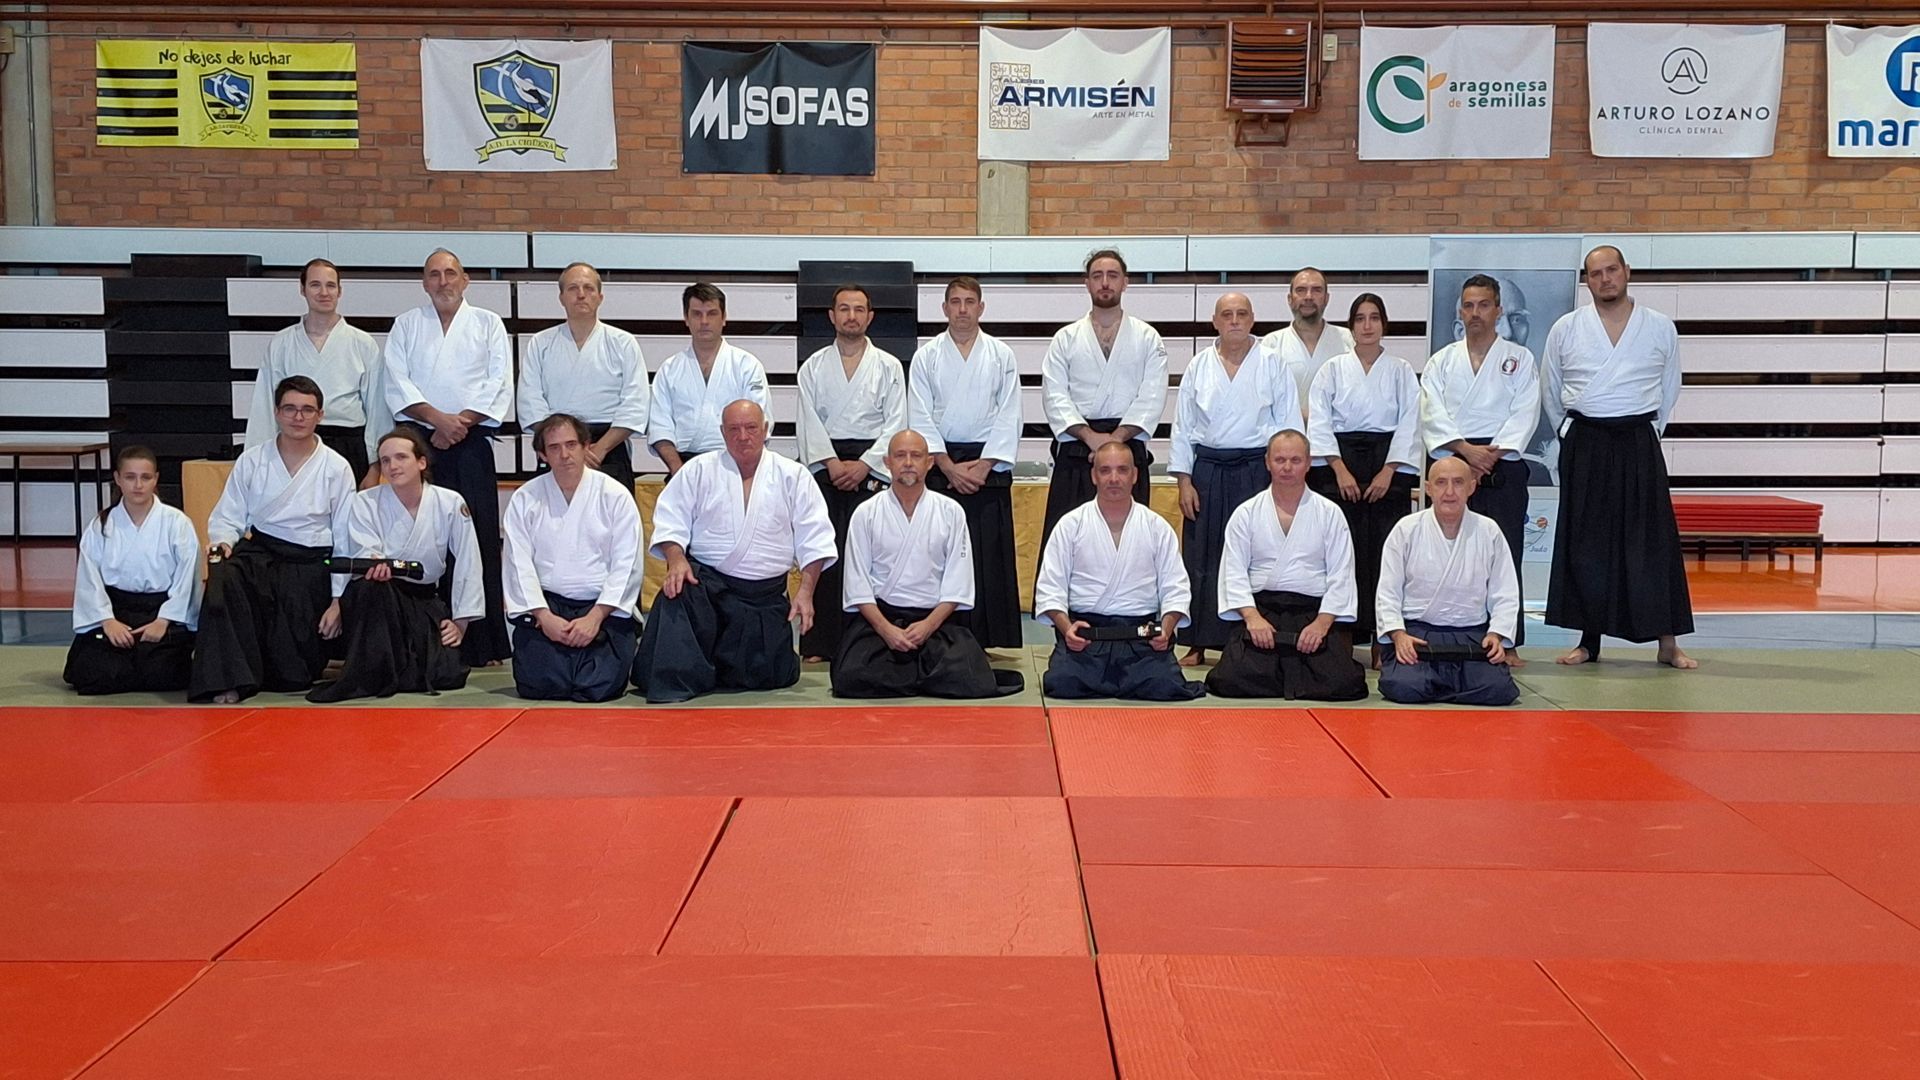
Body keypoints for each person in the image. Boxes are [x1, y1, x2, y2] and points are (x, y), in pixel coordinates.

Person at [1542, 245, 1696, 669]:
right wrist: (1569, 432)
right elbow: (1550, 388)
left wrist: (1649, 430)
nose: (1605, 278)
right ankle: (1588, 641)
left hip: (1637, 438)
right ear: (1586, 280)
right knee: (1585, 542)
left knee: (1652, 539)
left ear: (1627, 271)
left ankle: (1668, 641)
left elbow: (1670, 385)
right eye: (1596, 273)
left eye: (1612, 270)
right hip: (1586, 438)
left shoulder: (1659, 327)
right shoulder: (1567, 328)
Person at [633, 400, 836, 703]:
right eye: (734, 429)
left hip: (763, 598)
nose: (743, 436)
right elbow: (671, 519)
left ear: (765, 430)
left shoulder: (793, 475)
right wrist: (676, 559)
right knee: (680, 589)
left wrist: (805, 592)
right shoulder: (699, 469)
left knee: (771, 676)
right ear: (722, 432)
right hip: (707, 590)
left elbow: (815, 538)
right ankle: (680, 680)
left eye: (751, 428)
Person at [382, 247, 513, 666]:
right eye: (435, 274)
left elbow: (498, 381)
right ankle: (421, 637)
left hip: (470, 441)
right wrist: (437, 420)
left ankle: (483, 641)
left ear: (465, 279)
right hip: (420, 439)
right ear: (424, 282)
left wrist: (460, 424)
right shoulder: (406, 324)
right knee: (421, 534)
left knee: (477, 536)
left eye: (451, 273)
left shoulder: (488, 323)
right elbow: (397, 381)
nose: (443, 282)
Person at [190, 375, 356, 703]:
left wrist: (338, 600)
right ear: (277, 412)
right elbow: (228, 515)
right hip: (261, 552)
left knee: (291, 676)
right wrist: (223, 541)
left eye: (307, 410)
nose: (298, 417)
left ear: (320, 415)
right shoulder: (253, 460)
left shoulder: (336, 467)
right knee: (226, 577)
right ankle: (229, 679)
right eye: (290, 408)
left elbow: (345, 536)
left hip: (310, 563)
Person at [831, 430, 1025, 699]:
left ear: (929, 462)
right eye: (900, 456)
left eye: (916, 456)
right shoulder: (866, 513)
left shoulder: (950, 511)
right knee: (849, 677)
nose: (908, 463)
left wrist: (927, 626)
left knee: (971, 678)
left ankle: (906, 677)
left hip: (935, 622)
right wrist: (888, 631)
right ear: (887, 462)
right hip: (883, 622)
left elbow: (958, 583)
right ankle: (924, 677)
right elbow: (857, 584)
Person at [1169, 291, 1302, 668]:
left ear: (1252, 319)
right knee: (1202, 555)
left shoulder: (1272, 363)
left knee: (1252, 555)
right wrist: (1184, 480)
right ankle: (1197, 641)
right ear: (1215, 321)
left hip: (1255, 469)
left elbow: (1288, 424)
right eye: (1226, 314)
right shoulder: (1199, 365)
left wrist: (1284, 476)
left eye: (1241, 314)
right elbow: (1183, 427)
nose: (1234, 321)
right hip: (1208, 469)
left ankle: (1248, 639)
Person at [306, 427, 482, 703]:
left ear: (421, 462)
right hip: (380, 598)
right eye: (385, 460)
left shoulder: (449, 502)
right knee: (373, 590)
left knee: (447, 674)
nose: (392, 466)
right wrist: (374, 566)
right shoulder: (365, 502)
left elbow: (468, 561)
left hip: (424, 598)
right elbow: (366, 550)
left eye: (401, 457)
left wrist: (460, 622)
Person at [1420, 274, 1540, 653]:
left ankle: (1507, 639)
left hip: (1501, 464)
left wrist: (1487, 456)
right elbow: (1431, 412)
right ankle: (1447, 633)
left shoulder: (1519, 359)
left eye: (1484, 305)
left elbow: (1525, 412)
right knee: (1447, 551)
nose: (1476, 313)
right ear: (1460, 312)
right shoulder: (1442, 361)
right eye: (1469, 306)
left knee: (1505, 552)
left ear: (1498, 310)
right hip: (1453, 461)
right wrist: (1466, 452)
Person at [1034, 442, 1204, 701]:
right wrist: (1067, 628)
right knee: (1062, 683)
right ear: (1094, 476)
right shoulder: (1070, 525)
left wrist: (1166, 629)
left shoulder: (1156, 527)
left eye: (1122, 470)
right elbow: (1050, 587)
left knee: (1164, 685)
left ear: (1135, 475)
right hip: (1086, 637)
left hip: (1141, 639)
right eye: (1105, 470)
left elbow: (1176, 588)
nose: (1114, 478)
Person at [1205, 430, 1368, 701]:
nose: (1287, 467)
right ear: (1267, 462)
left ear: (1308, 463)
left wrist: (1322, 624)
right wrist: (1252, 618)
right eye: (1280, 460)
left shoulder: (1330, 513)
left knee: (1343, 683)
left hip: (1312, 612)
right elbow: (1233, 572)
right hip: (1263, 612)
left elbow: (1342, 574)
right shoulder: (1246, 513)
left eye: (1295, 460)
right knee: (1230, 680)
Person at [908, 276, 1024, 650]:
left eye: (969, 302)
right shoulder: (927, 356)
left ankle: (988, 638)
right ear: (944, 308)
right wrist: (945, 465)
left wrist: (985, 465)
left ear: (981, 307)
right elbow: (919, 414)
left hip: (987, 467)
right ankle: (942, 634)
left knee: (988, 553)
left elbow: (1010, 413)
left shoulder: (1001, 355)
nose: (962, 309)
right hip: (942, 467)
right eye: (955, 302)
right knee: (942, 553)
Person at [1306, 293, 1421, 665]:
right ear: (1351, 326)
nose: (1367, 325)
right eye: (1360, 318)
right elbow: (1319, 421)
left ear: (1384, 324)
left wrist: (1389, 470)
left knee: (1385, 553)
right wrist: (1338, 468)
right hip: (1340, 464)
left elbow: (1410, 422)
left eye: (1374, 317)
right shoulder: (1333, 369)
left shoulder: (1401, 369)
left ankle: (1381, 636)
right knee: (1342, 553)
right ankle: (1341, 634)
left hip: (1388, 463)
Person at [795, 283, 907, 661]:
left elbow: (897, 422)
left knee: (870, 555)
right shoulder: (813, 367)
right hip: (827, 467)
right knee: (825, 552)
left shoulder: (889, 366)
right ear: (832, 316)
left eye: (859, 309)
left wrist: (865, 464)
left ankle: (870, 639)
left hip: (870, 466)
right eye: (844, 309)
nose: (851, 316)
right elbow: (807, 422)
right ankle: (821, 641)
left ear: (870, 317)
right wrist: (829, 462)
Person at [502, 414, 646, 702]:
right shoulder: (526, 498)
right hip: (548, 607)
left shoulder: (614, 495)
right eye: (554, 447)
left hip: (602, 609)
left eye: (571, 445)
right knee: (539, 685)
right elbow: (518, 564)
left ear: (586, 447)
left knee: (598, 687)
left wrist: (595, 617)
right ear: (542, 454)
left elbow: (627, 563)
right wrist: (544, 617)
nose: (564, 455)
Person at [1038, 248, 1168, 557]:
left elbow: (1152, 394)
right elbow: (1055, 394)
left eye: (1113, 275)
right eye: (1097, 276)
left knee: (1131, 542)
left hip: (1128, 448)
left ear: (1125, 282)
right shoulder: (1066, 338)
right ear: (1087, 284)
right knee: (1067, 542)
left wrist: (1115, 440)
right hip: (1077, 449)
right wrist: (1090, 437)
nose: (1105, 282)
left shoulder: (1147, 337)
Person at [1375, 457, 1521, 706]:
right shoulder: (1406, 529)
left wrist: (1496, 634)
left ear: (1472, 486)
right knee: (1404, 687)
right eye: (1441, 483)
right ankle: (1452, 686)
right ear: (1428, 488)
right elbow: (1388, 591)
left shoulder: (1489, 530)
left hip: (1471, 636)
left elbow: (1505, 591)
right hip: (1418, 634)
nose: (1450, 492)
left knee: (1497, 690)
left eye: (1458, 482)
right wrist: (1398, 634)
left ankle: (1440, 686)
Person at [64, 445, 200, 695]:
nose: (138, 485)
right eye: (130, 477)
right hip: (116, 611)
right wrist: (107, 620)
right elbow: (89, 579)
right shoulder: (101, 525)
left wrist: (163, 620)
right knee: (93, 672)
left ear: (156, 479)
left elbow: (187, 577)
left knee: (163, 672)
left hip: (159, 611)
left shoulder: (176, 523)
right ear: (117, 478)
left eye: (145, 477)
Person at [243, 258, 382, 487]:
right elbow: (265, 406)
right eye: (315, 285)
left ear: (340, 291)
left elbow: (377, 408)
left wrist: (375, 465)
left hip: (349, 443)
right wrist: (258, 460)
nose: (324, 292)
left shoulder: (363, 343)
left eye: (330, 285)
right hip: (295, 441)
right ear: (302, 289)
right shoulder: (282, 343)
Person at [517, 262, 649, 497]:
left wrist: (599, 449)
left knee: (611, 515)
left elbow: (635, 404)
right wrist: (561, 446)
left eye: (588, 288)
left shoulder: (623, 343)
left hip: (608, 447)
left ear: (600, 297)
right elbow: (531, 401)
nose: (581, 295)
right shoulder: (541, 343)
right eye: (573, 288)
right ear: (561, 297)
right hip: (556, 445)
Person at [648, 282, 772, 475]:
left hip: (736, 465)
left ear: (724, 318)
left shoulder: (747, 365)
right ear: (686, 318)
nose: (704, 321)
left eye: (712, 313)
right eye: (697, 314)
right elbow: (659, 427)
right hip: (683, 465)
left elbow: (758, 422)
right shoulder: (669, 369)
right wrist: (678, 471)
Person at [1263, 267, 1354, 411]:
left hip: (1335, 425)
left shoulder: (1346, 339)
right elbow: (1264, 399)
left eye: (1317, 290)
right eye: (1301, 290)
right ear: (1289, 299)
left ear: (1326, 298)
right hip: (1288, 425)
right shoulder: (1272, 343)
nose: (1308, 297)